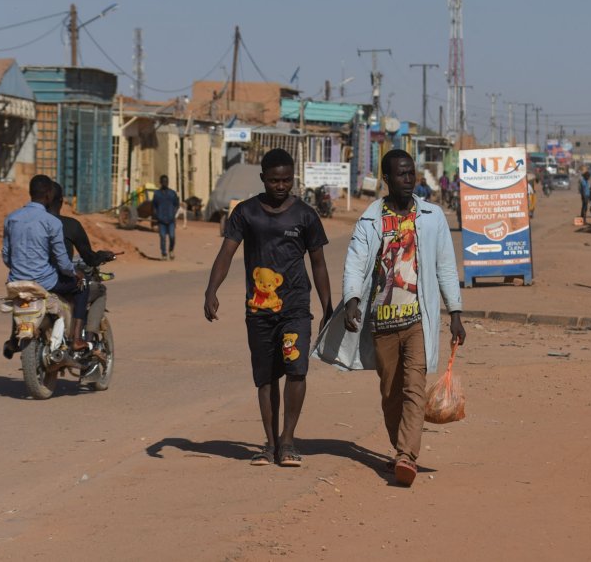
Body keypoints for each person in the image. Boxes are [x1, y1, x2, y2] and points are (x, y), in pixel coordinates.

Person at [340, 149, 465, 487]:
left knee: (414, 387)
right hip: (382, 323)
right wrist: (351, 300)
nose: (408, 179)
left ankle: (407, 455)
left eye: (412, 173)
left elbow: (444, 266)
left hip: (416, 320)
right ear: (387, 178)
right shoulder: (370, 220)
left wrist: (455, 312)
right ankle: (399, 448)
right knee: (391, 392)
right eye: (401, 174)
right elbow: (355, 262)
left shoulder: (431, 216)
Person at [204, 149, 333, 468]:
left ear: (293, 178)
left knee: (296, 370)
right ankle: (270, 444)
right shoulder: (246, 213)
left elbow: (318, 264)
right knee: (265, 378)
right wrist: (211, 289)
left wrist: (328, 307)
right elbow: (226, 253)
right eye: (274, 180)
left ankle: (288, 441)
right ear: (262, 179)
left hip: (295, 310)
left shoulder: (305, 215)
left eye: (286, 180)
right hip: (259, 312)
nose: (280, 186)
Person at [1, 175, 89, 358]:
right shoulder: (52, 222)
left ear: (30, 192)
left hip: (16, 280)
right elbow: (63, 261)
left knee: (20, 297)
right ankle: (77, 339)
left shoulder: (11, 218)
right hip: (46, 282)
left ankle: (13, 338)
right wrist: (75, 273)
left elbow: (7, 256)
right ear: (49, 195)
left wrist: (19, 268)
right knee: (83, 287)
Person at [48, 182, 117, 344]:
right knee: (93, 288)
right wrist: (102, 256)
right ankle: (84, 337)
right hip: (58, 280)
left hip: (34, 279)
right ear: (60, 201)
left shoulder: (28, 223)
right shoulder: (69, 225)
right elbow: (89, 258)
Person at [152, 175, 180, 260]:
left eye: (166, 181)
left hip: (171, 220)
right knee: (163, 237)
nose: (165, 183)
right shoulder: (157, 194)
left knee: (172, 236)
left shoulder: (172, 193)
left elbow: (176, 204)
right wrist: (157, 216)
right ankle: (164, 254)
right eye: (163, 181)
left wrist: (173, 213)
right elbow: (154, 206)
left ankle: (171, 250)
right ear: (160, 182)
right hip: (161, 220)